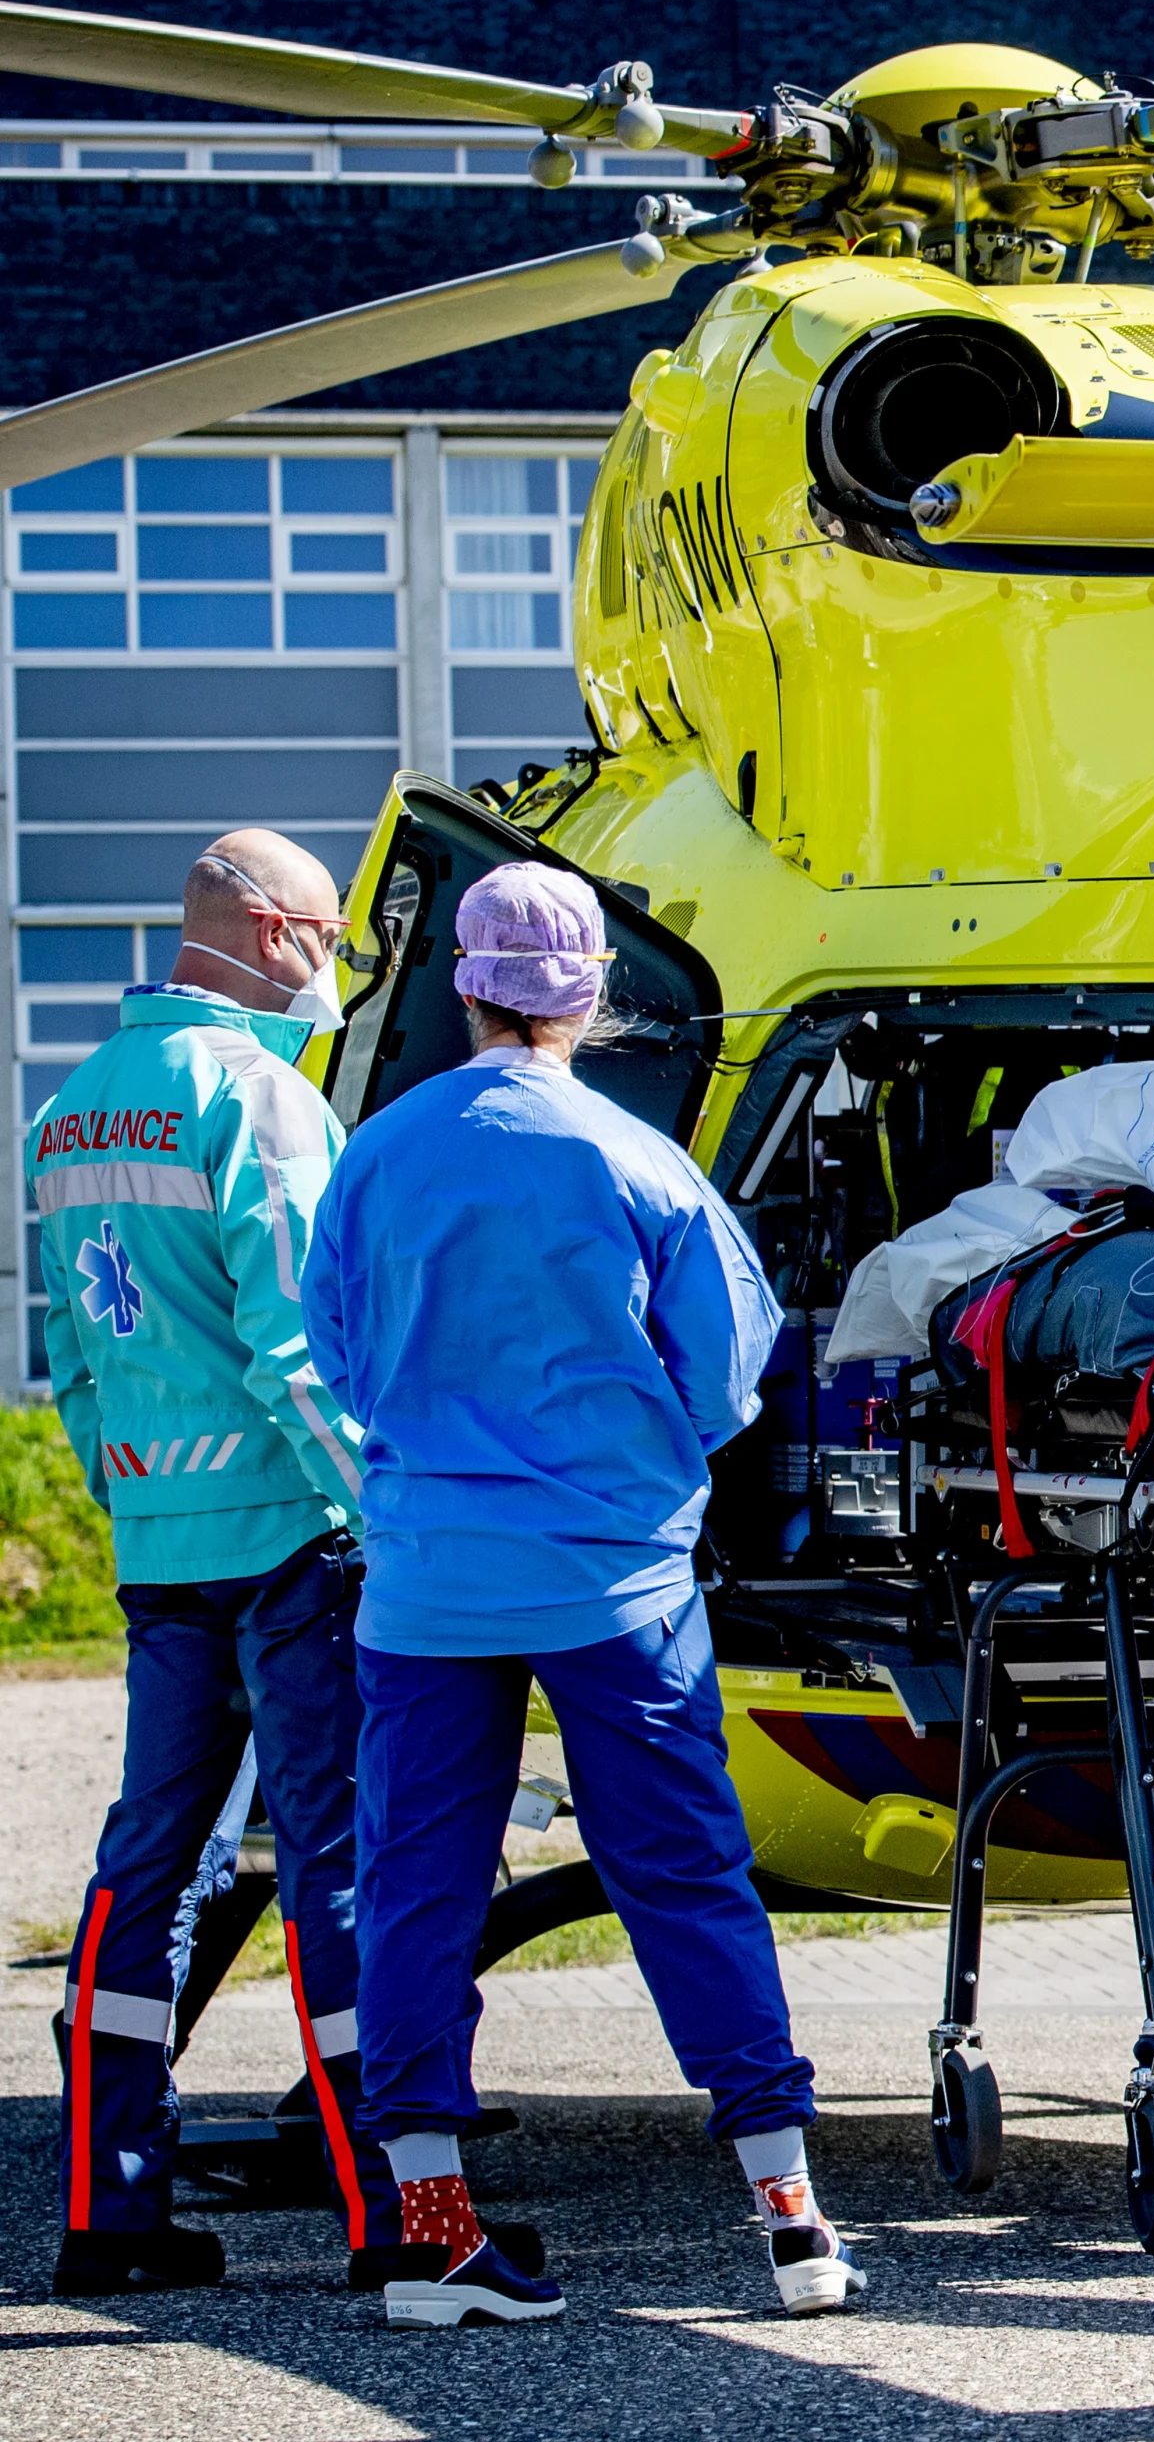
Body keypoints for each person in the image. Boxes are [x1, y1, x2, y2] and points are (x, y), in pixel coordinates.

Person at [301, 864, 853, 2328]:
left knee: (417, 1886)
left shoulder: (375, 1155)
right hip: (615, 1582)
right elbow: (728, 1377)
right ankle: (791, 2219)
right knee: (681, 1879)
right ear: (594, 998)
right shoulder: (641, 1161)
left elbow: (339, 1360)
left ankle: (433, 2233)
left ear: (463, 987)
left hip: (425, 1588)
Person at [31, 832, 381, 2296]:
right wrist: (381, 1516)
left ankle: (110, 2219)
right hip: (294, 1547)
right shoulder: (262, 1101)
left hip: (159, 1547)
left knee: (146, 1870)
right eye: (328, 942)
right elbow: (300, 1355)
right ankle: (395, 2217)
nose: (335, 975)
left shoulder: (67, 1113)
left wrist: (142, 1501)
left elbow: (74, 1363)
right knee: (336, 1872)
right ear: (275, 932)